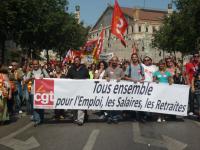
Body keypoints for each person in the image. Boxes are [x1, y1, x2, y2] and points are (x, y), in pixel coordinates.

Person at [66, 56, 90, 126]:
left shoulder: (85, 69)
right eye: (75, 60)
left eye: (77, 60)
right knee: (74, 104)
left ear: (80, 61)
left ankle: (80, 119)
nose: (76, 62)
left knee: (81, 104)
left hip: (82, 90)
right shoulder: (71, 69)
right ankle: (75, 118)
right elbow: (67, 78)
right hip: (73, 90)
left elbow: (88, 77)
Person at [26, 59, 49, 126]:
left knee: (41, 106)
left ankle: (41, 119)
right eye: (34, 64)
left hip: (42, 91)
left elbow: (49, 78)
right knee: (34, 106)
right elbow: (26, 81)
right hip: (33, 91)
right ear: (32, 65)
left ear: (38, 64)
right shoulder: (30, 72)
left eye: (36, 64)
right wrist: (30, 79)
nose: (35, 65)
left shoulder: (43, 71)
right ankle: (37, 120)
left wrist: (44, 77)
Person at [124, 53, 145, 122]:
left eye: (135, 57)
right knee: (132, 101)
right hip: (131, 87)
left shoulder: (141, 66)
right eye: (133, 57)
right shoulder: (129, 67)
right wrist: (132, 80)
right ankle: (133, 117)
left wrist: (142, 80)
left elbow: (143, 76)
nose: (134, 58)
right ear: (131, 58)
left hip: (139, 87)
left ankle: (141, 116)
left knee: (140, 101)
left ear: (137, 58)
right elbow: (125, 77)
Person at [104, 56, 124, 124]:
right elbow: (104, 77)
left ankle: (115, 117)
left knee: (116, 103)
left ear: (117, 61)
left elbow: (124, 77)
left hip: (117, 90)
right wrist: (106, 77)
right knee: (109, 103)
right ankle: (109, 117)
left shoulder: (120, 70)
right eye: (113, 60)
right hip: (109, 90)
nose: (114, 62)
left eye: (116, 60)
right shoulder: (107, 69)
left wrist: (120, 78)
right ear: (111, 61)